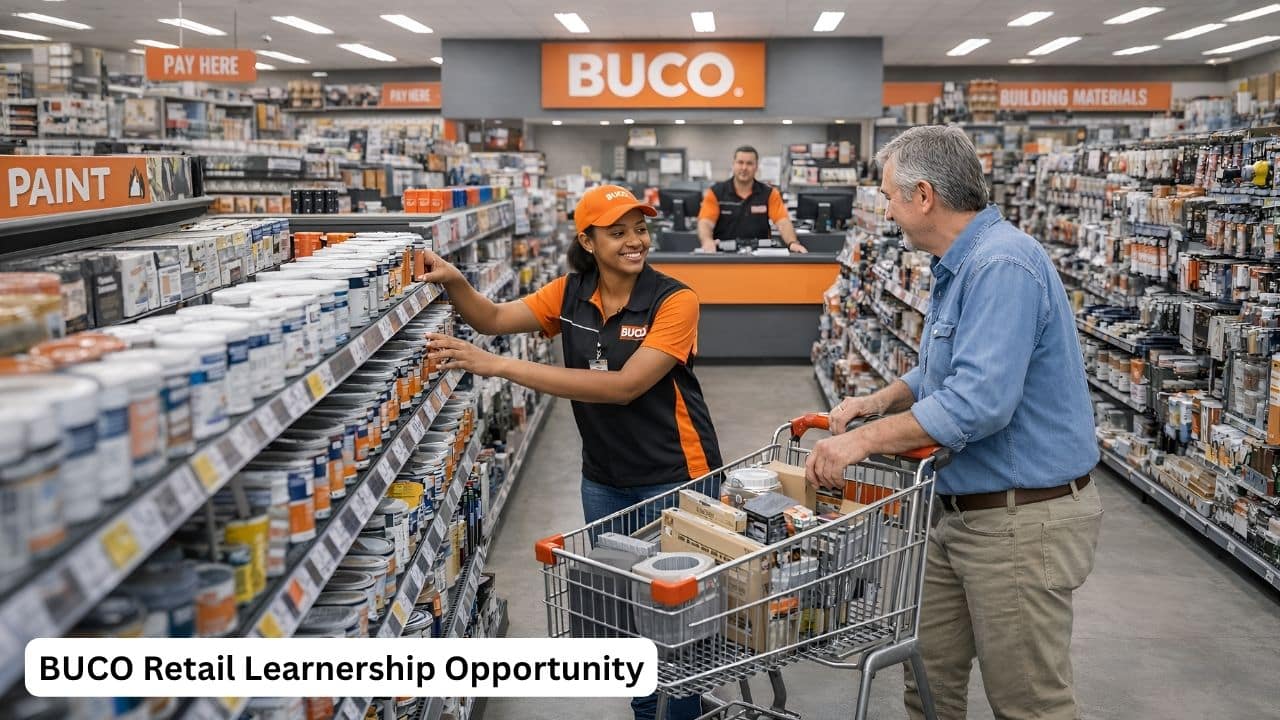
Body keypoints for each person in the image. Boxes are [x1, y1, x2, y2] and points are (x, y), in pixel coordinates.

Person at [806, 125, 1102, 720]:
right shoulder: (955, 265)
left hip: (1019, 521)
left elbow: (977, 403)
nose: (884, 211)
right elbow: (941, 373)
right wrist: (881, 400)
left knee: (1028, 703)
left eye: (888, 197)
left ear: (922, 196)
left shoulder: (1002, 266)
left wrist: (860, 443)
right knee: (929, 681)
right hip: (957, 515)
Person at [419, 184, 722, 720]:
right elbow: (490, 320)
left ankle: (680, 713)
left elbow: (625, 386)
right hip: (603, 477)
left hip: (676, 476)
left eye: (640, 229)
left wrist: (500, 366)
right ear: (587, 239)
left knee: (677, 622)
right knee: (625, 614)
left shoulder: (676, 300)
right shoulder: (568, 294)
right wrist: (458, 282)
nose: (636, 241)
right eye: (619, 231)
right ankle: (645, 709)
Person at [696, 145, 807, 253]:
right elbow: (705, 222)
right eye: (740, 162)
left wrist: (793, 243)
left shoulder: (770, 193)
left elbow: (782, 222)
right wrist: (707, 241)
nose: (744, 168)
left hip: (759, 258)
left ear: (756, 167)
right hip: (724, 256)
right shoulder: (716, 192)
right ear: (733, 164)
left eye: (749, 163)